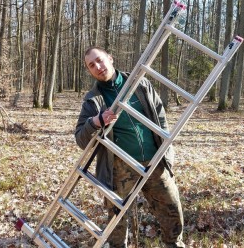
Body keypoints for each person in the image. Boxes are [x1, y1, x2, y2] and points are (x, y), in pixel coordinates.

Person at [75, 46, 185, 248]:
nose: (98, 67)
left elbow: (160, 116)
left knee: (172, 212)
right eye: (92, 65)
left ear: (110, 58)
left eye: (100, 60)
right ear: (89, 71)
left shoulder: (139, 84)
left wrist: (166, 152)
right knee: (117, 224)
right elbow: (81, 139)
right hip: (120, 168)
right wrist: (97, 121)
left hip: (155, 162)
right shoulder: (93, 100)